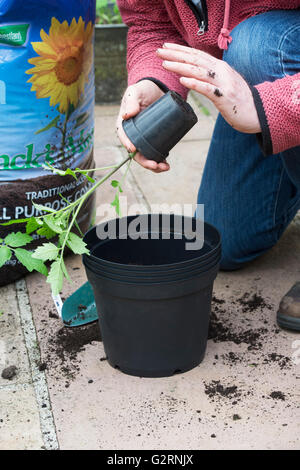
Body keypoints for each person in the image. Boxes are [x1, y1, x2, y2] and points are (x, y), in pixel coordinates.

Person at [116, 0, 300, 331]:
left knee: (255, 47)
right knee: (225, 241)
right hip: (260, 82)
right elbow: (151, 24)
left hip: (274, 63)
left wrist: (273, 108)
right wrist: (153, 81)